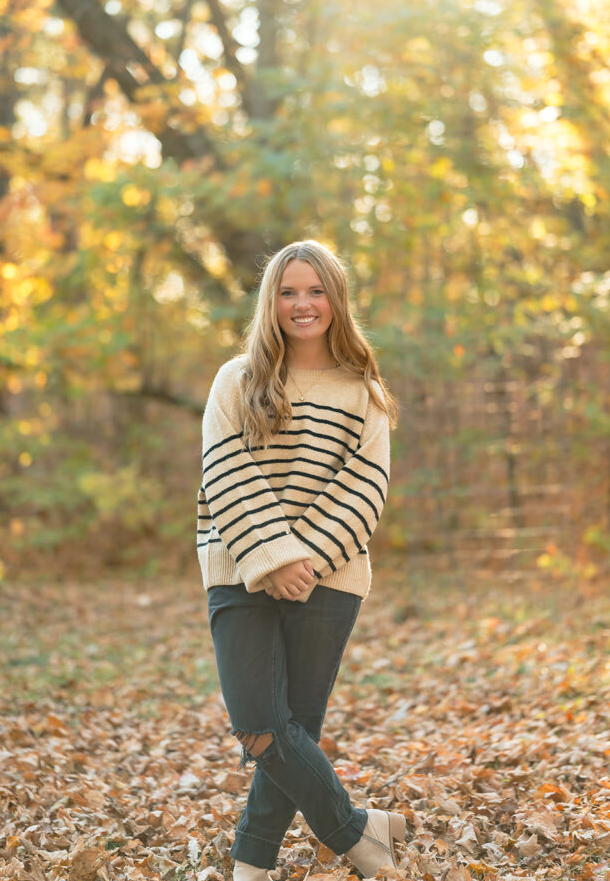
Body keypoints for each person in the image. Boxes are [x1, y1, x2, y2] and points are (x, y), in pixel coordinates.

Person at [196, 239, 404, 880]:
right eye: (288, 292)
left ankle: (250, 865)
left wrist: (303, 560)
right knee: (259, 727)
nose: (302, 303)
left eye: (316, 291)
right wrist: (273, 556)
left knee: (296, 730)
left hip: (329, 578)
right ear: (271, 302)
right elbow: (224, 470)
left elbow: (365, 486)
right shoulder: (236, 380)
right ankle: (357, 830)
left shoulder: (362, 391)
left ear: (336, 301)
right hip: (237, 567)